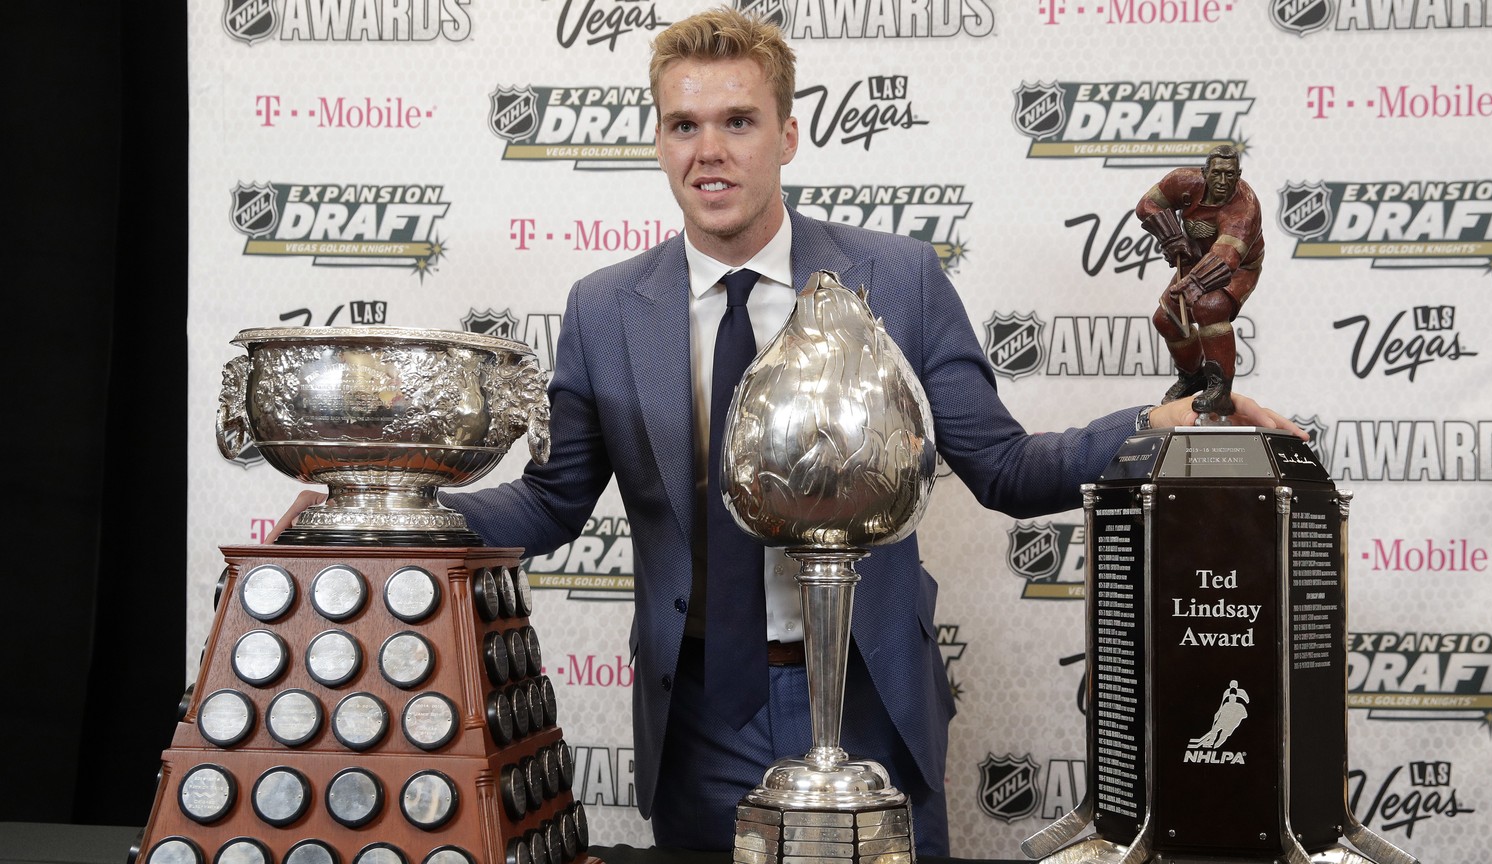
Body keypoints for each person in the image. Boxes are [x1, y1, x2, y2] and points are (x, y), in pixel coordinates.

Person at [273, 7, 1302, 855]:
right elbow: (550, 503)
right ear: (658, 137)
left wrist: (1162, 423)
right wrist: (385, 517)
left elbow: (1001, 465)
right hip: (700, 711)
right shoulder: (603, 308)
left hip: (871, 701)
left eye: (737, 121)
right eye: (683, 126)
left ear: (789, 133)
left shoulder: (895, 278)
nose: (709, 151)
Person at [1136, 144, 1264, 417]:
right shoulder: (1183, 181)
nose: (1222, 181)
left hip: (1239, 267)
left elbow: (1227, 258)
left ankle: (1220, 389)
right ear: (1205, 172)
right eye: (1217, 173)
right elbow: (1147, 205)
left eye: (1230, 175)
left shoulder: (1245, 208)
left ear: (1238, 175)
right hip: (1198, 259)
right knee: (1166, 319)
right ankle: (1193, 376)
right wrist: (1172, 238)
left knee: (1210, 306)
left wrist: (1194, 283)